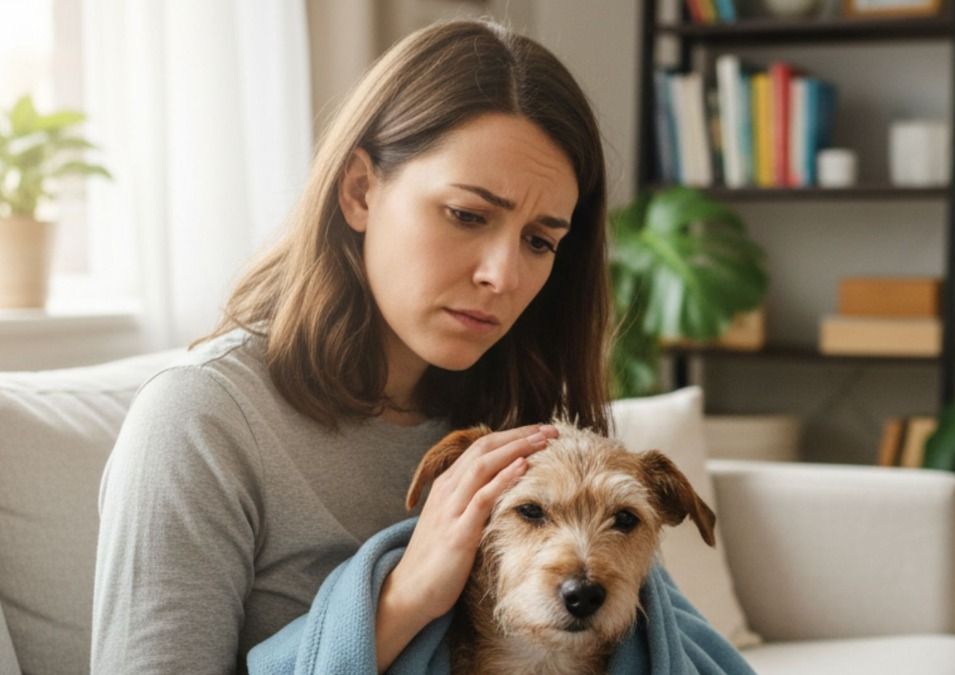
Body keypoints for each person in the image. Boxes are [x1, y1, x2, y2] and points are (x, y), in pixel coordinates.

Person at [91, 18, 612, 674]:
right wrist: (403, 598)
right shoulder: (203, 420)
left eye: (540, 240)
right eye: (467, 215)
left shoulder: (520, 425)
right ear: (360, 190)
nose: (503, 276)